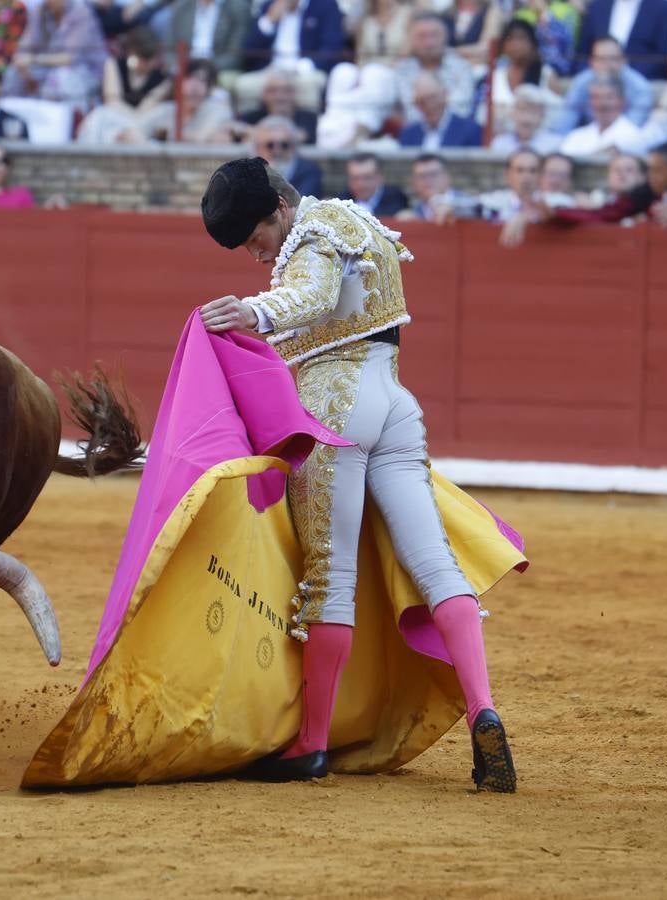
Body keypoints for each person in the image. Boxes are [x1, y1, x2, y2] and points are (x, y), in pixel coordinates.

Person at [196, 156, 519, 791]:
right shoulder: (358, 221)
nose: (258, 257)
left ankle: (311, 745)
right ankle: (484, 706)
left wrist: (251, 314)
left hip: (332, 408)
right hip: (395, 403)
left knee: (330, 578)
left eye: (257, 240)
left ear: (280, 211)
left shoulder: (314, 232)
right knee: (436, 565)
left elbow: (311, 295)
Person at [500, 140, 667, 246]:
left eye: (658, 171)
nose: (652, 176)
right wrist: (556, 213)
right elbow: (606, 214)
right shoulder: (648, 193)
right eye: (651, 170)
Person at [236, 0, 347, 112]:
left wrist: (300, 67)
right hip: (270, 70)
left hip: (304, 70)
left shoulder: (324, 5)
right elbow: (249, 51)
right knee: (245, 85)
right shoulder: (268, 6)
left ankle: (306, 128)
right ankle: (252, 127)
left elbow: (332, 47)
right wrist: (269, 21)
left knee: (308, 84)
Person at [4, 0, 108, 109]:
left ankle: (61, 120)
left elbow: (69, 58)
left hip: (87, 70)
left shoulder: (81, 12)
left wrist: (33, 59)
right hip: (48, 67)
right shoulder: (39, 11)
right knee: (13, 73)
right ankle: (16, 117)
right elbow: (25, 46)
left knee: (59, 78)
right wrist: (21, 63)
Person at [550, 36, 653, 134]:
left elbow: (632, 129)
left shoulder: (640, 88)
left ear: (624, 61)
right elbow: (563, 125)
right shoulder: (581, 83)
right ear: (591, 62)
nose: (608, 65)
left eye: (613, 59)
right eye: (601, 59)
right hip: (589, 140)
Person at [478, 19, 559, 133]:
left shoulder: (547, 75)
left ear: (532, 44)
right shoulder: (495, 76)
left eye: (521, 38)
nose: (515, 44)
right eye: (510, 39)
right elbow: (482, 116)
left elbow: (557, 116)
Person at [394, 13, 476, 123]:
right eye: (422, 36)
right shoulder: (403, 70)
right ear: (411, 40)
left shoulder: (462, 67)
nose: (429, 43)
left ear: (446, 36)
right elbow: (411, 111)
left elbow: (461, 110)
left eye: (434, 35)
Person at [572, 0, 667, 80]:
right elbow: (583, 54)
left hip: (643, 82)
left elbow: (663, 57)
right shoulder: (596, 7)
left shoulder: (664, 8)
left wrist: (624, 74)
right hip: (596, 82)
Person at [135, 58, 234, 143]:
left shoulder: (216, 110)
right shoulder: (167, 109)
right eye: (190, 78)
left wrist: (165, 134)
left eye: (202, 80)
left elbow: (201, 139)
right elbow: (135, 129)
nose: (195, 87)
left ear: (210, 87)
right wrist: (163, 90)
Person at [559, 74, 647, 156]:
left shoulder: (633, 134)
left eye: (609, 97)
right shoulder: (576, 137)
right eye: (596, 97)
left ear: (622, 102)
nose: (602, 104)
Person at [478, 147, 573, 221]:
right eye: (520, 170)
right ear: (508, 175)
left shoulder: (556, 199)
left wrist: (525, 216)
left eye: (532, 171)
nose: (526, 176)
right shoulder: (493, 201)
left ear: (540, 175)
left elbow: (558, 212)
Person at [398, 72, 482, 150]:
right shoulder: (408, 134)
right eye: (421, 102)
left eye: (432, 98)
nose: (429, 105)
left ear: (445, 95)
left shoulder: (470, 131)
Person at [167, 0, 252, 76]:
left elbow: (234, 55)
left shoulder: (238, 7)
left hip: (219, 69)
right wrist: (177, 67)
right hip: (185, 67)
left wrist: (204, 69)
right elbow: (168, 48)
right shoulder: (182, 7)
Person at [239, 67, 319, 145]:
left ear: (294, 93)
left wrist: (254, 133)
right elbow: (237, 132)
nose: (280, 97)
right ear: (264, 94)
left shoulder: (311, 119)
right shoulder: (249, 118)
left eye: (286, 91)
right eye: (273, 91)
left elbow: (306, 136)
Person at [399, 152, 481, 223]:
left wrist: (455, 208)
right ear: (414, 182)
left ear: (447, 177)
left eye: (433, 174)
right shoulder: (414, 213)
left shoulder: (467, 202)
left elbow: (480, 208)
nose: (428, 180)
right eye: (422, 176)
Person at [254, 116, 323, 197]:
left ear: (293, 146)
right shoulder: (246, 174)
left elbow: (301, 204)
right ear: (258, 148)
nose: (277, 151)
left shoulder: (309, 171)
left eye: (284, 145)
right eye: (270, 145)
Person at [489, 84, 561, 155]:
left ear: (542, 116)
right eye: (522, 110)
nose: (526, 118)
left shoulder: (554, 145)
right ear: (512, 113)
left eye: (533, 112)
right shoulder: (500, 144)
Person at [338, 151, 408, 217]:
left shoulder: (396, 198)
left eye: (367, 178)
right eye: (355, 178)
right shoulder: (341, 201)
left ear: (380, 177)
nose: (361, 184)